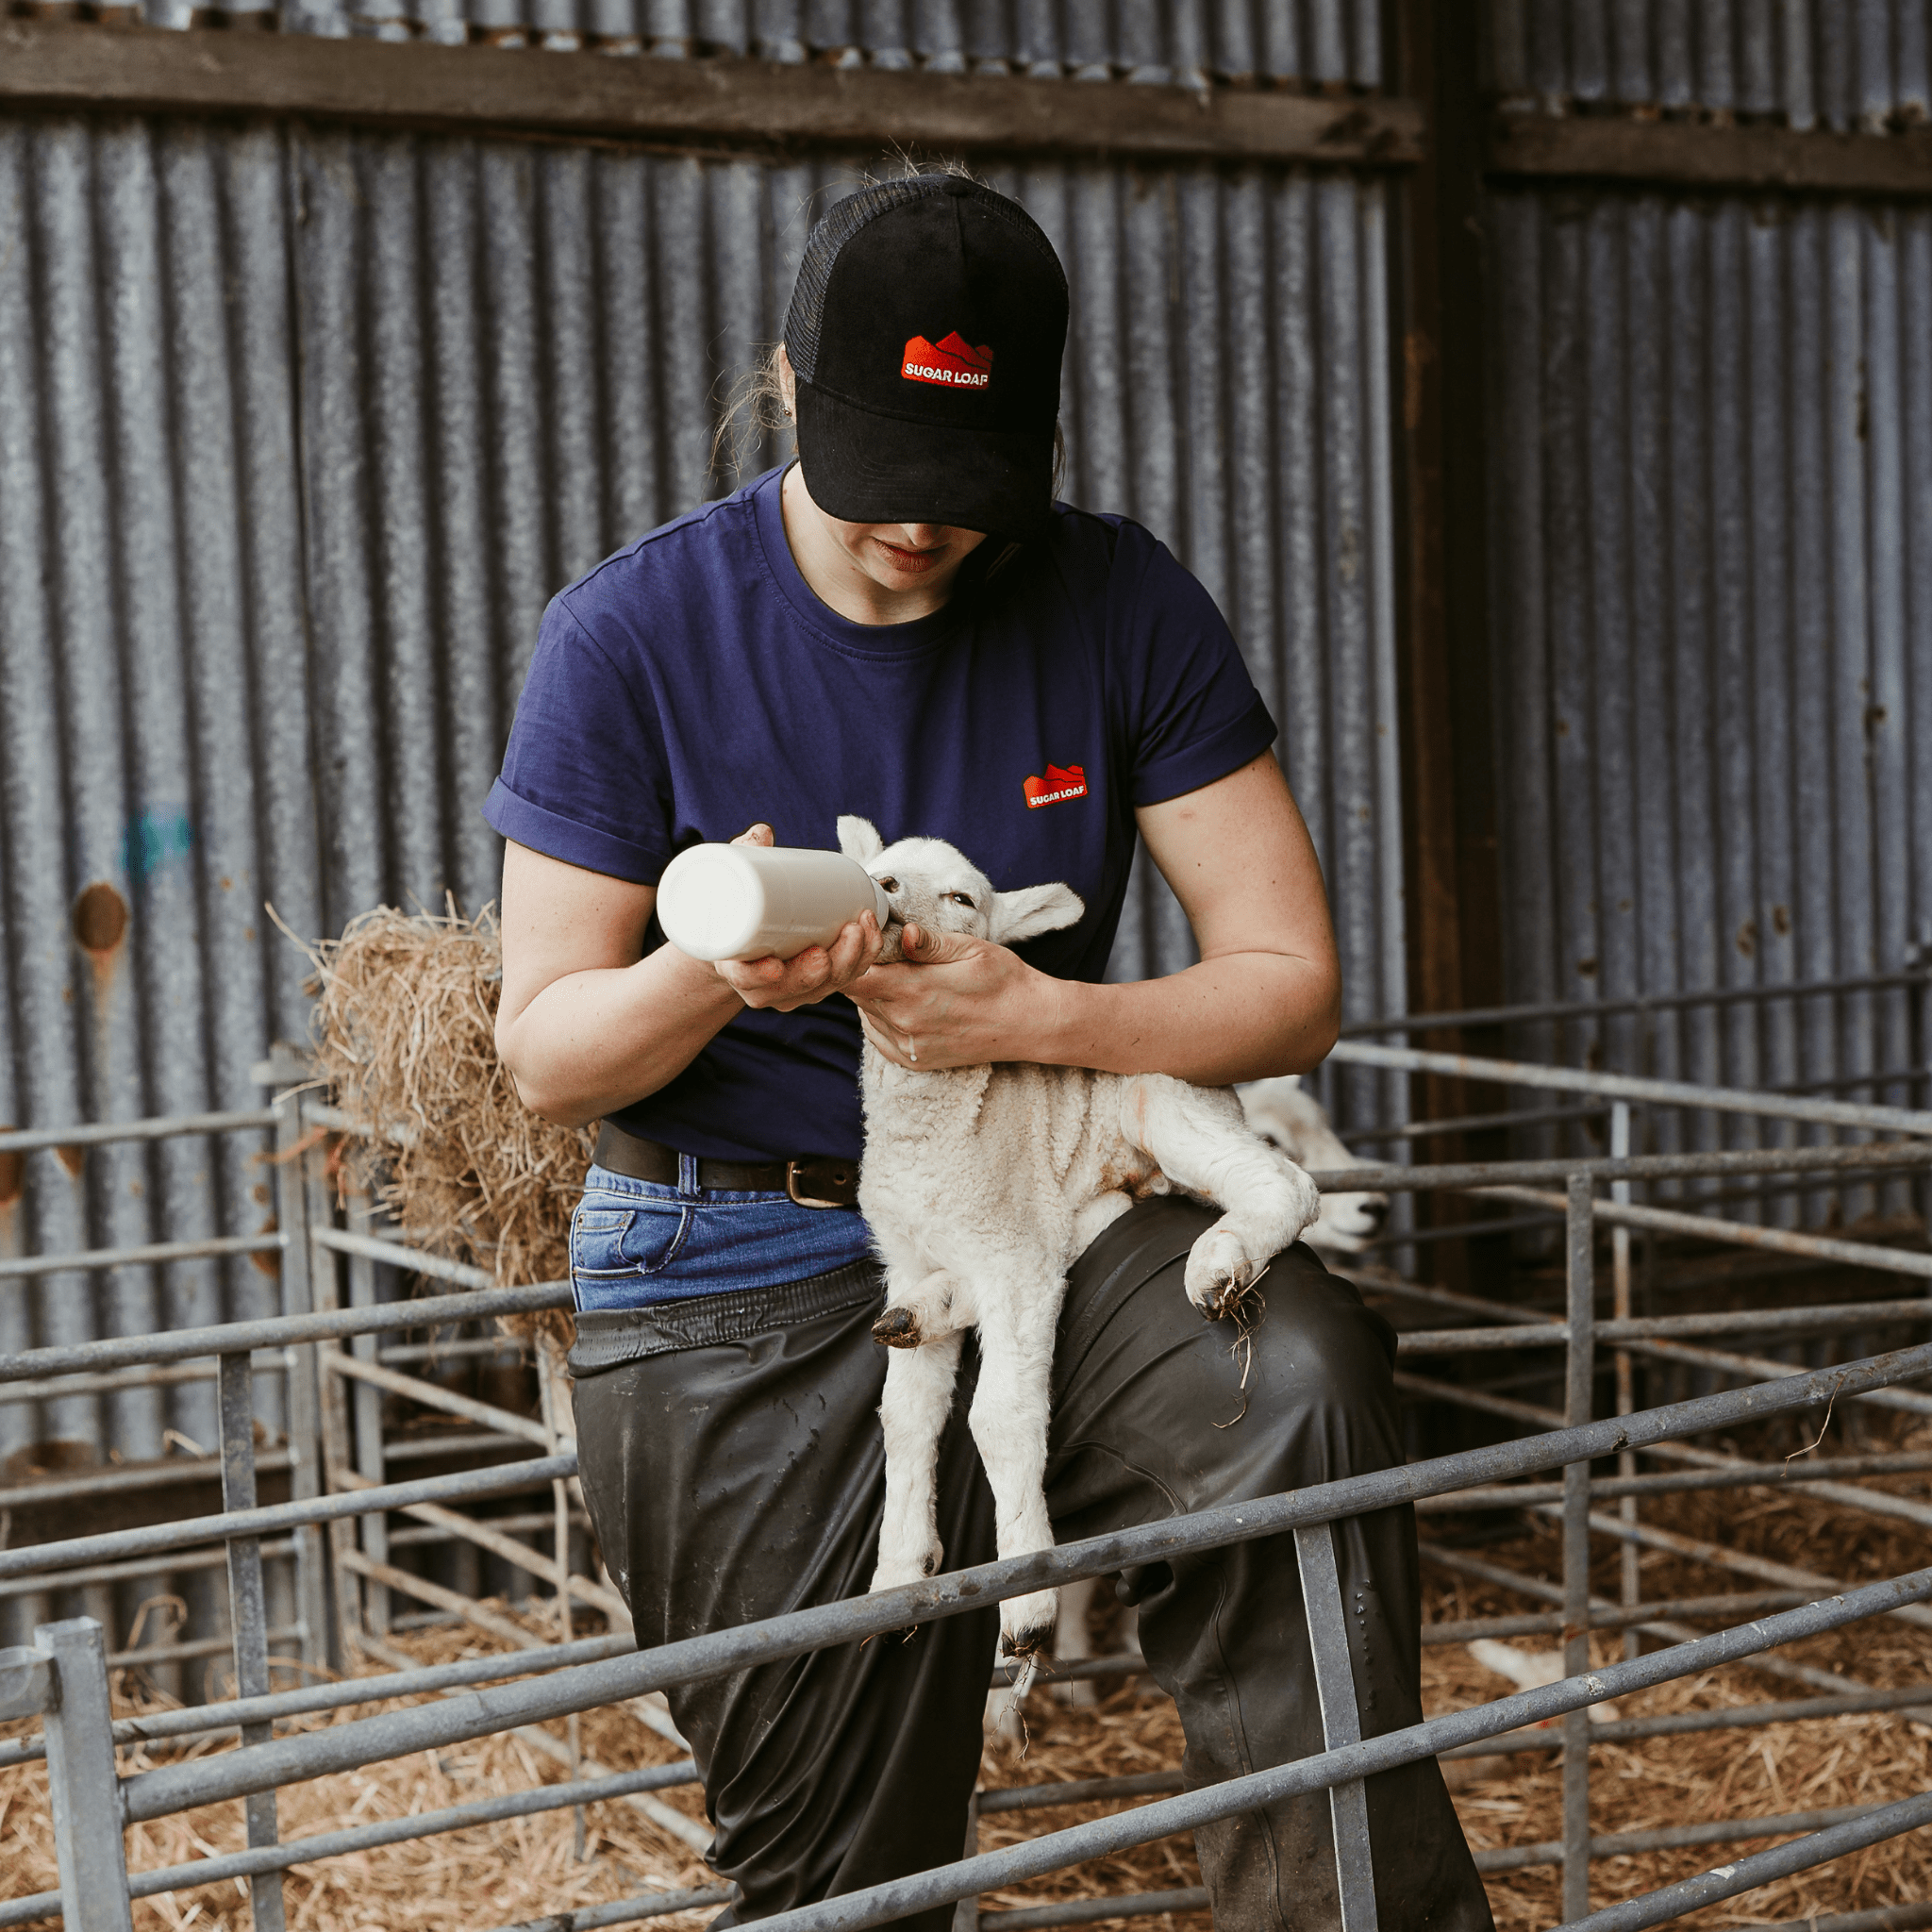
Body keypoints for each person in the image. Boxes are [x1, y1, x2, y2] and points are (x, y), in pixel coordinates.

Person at [486, 172, 1491, 1932]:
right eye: (882, 483)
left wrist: (1048, 1019)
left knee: (1301, 1389)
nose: (918, 535)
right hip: (733, 1245)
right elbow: (551, 1056)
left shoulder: (1116, 600)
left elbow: (1289, 979)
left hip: (1044, 1191)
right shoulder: (631, 635)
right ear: (792, 387)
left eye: (964, 495)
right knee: (843, 1871)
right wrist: (726, 968)